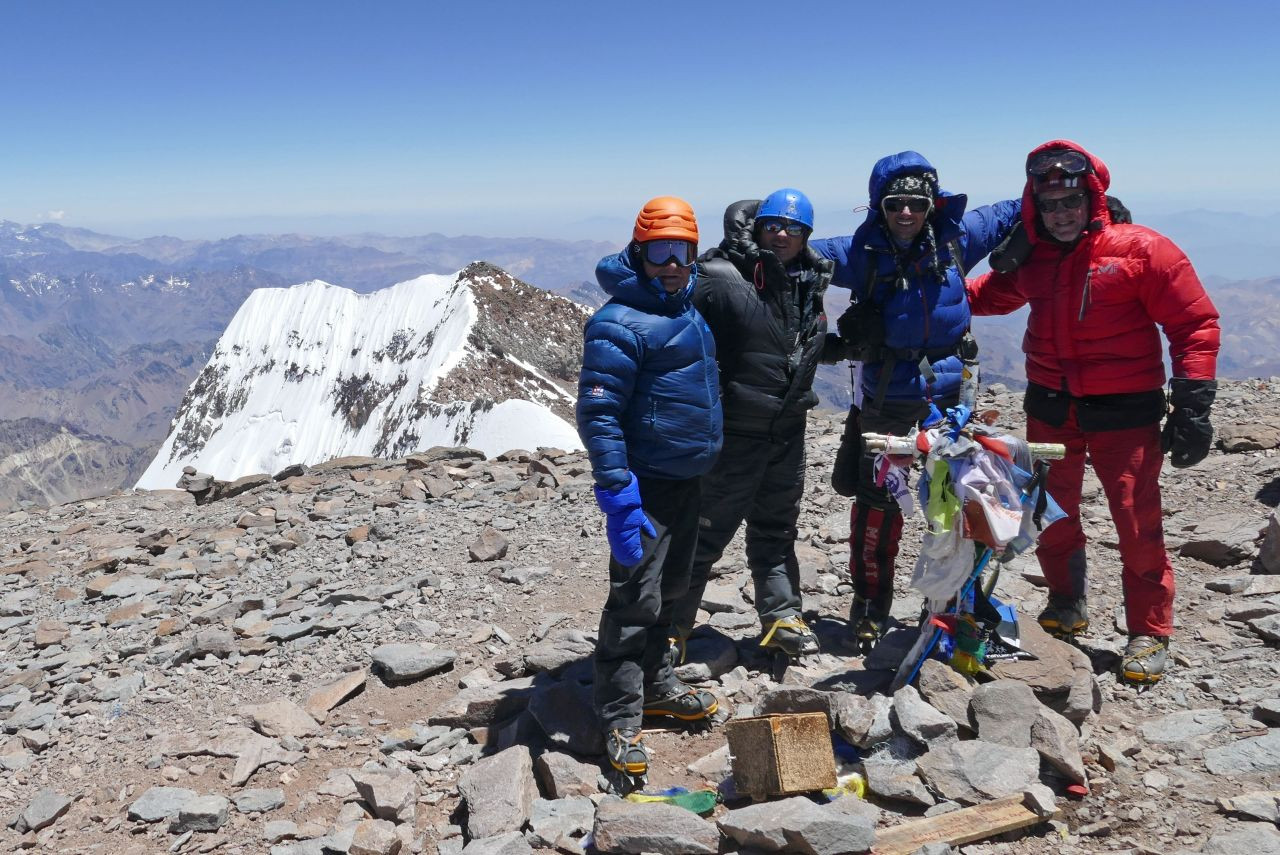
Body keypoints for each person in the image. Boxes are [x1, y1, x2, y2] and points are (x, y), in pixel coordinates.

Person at [966, 140, 1220, 684]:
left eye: (1070, 202)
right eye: (1050, 204)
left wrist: (1194, 402)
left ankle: (1149, 631)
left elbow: (1194, 325)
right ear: (1035, 206)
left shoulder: (1144, 250)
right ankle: (1066, 604)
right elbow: (986, 297)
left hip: (1124, 412)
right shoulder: (1032, 259)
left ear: (1092, 199)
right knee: (1051, 515)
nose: (1061, 214)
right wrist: (923, 290)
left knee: (1136, 521)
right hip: (1051, 407)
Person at [811, 152, 1021, 647]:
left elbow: (1018, 207)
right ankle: (869, 606)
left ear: (932, 203)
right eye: (895, 203)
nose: (906, 213)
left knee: (960, 501)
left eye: (917, 203)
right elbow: (790, 251)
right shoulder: (859, 251)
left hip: (954, 395)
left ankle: (950, 606)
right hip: (888, 395)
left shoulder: (958, 237)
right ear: (878, 206)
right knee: (878, 503)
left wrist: (1097, 215)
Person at [576, 196, 723, 782]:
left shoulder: (686, 308)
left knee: (677, 590)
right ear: (638, 253)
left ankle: (658, 686)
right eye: (659, 251)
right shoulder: (616, 322)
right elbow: (600, 415)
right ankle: (618, 715)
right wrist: (618, 494)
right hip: (648, 487)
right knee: (635, 599)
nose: (671, 264)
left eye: (682, 251)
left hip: (689, 480)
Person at [669, 189, 835, 660]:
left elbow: (789, 343)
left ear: (806, 237)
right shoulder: (722, 276)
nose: (782, 234)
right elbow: (666, 312)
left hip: (786, 433)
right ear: (756, 227)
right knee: (703, 537)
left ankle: (781, 616)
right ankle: (670, 629)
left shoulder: (805, 281)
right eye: (773, 225)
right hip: (735, 435)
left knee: (776, 531)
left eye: (794, 228)